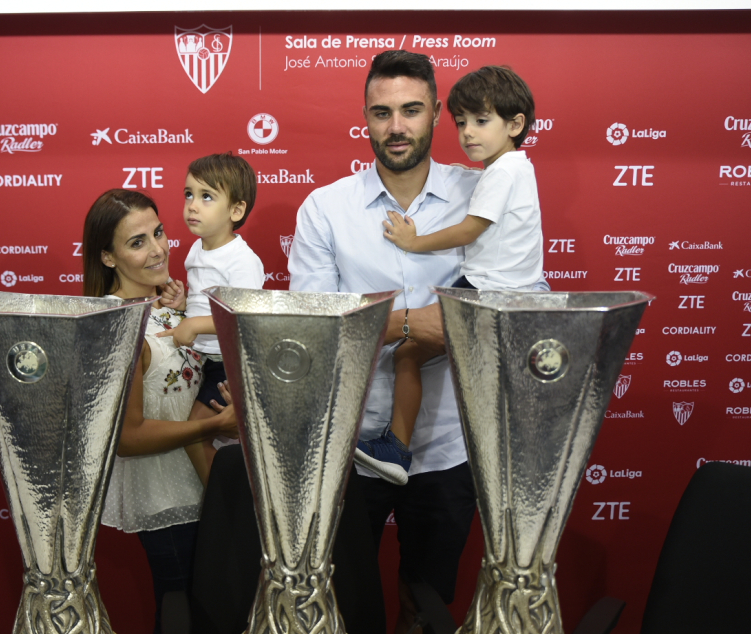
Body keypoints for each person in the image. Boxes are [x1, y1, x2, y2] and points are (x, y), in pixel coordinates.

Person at [287, 50, 547, 634]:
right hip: (351, 445)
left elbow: (526, 304)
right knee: (343, 604)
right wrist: (409, 326)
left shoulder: (485, 191)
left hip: (453, 445)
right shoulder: (326, 210)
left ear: (435, 114)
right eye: (382, 113)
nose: (396, 126)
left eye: (411, 110)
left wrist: (453, 324)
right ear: (366, 118)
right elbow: (312, 331)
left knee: (425, 607)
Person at [368, 65, 545, 483]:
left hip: (486, 291)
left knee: (408, 351)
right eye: (462, 122)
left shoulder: (502, 172)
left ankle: (395, 446)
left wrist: (413, 242)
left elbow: (470, 229)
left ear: (515, 124)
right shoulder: (513, 168)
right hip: (503, 289)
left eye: (481, 121)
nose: (468, 133)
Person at [84, 189, 237, 634]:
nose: (158, 249)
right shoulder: (114, 323)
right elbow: (127, 439)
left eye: (159, 232)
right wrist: (216, 425)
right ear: (108, 258)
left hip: (207, 491)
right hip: (165, 503)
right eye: (137, 242)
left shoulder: (169, 305)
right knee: (181, 617)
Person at [156, 153, 265, 486]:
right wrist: (184, 302)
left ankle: (229, 505)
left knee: (194, 436)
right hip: (200, 361)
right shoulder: (196, 250)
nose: (192, 205)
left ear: (236, 211)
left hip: (228, 365)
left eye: (206, 197)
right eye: (188, 194)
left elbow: (243, 317)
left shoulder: (243, 261)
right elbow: (207, 304)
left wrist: (194, 325)